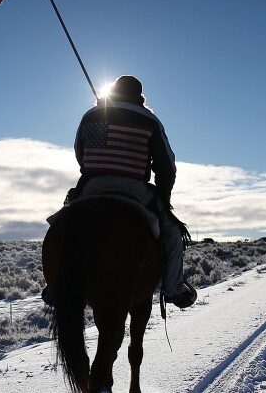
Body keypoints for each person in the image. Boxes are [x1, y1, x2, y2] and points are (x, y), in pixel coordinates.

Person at [50, 75, 197, 309]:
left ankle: (56, 283)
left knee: (60, 224)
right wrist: (164, 197)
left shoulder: (91, 115)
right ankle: (173, 288)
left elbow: (80, 152)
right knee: (171, 232)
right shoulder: (150, 120)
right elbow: (166, 166)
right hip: (135, 188)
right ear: (139, 97)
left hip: (93, 185)